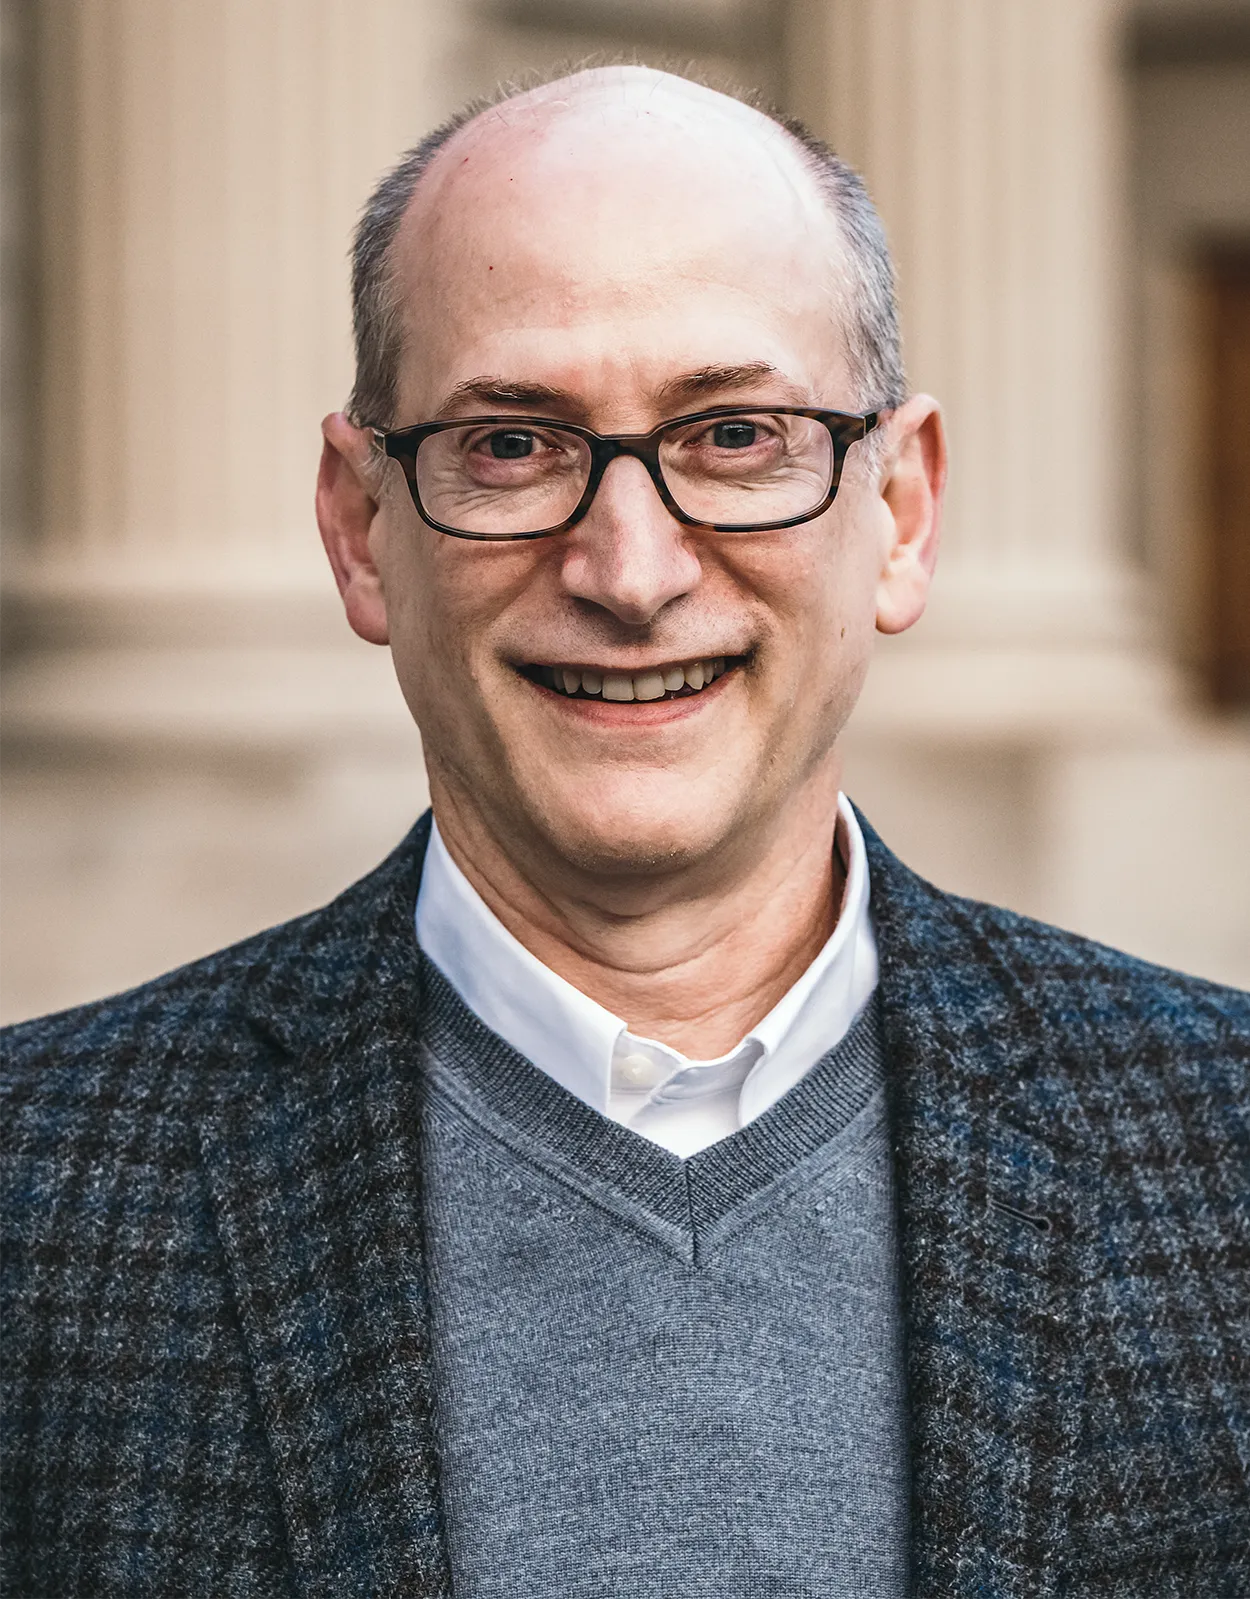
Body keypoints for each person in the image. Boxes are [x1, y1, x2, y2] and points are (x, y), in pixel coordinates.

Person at [2, 64, 1248, 1599]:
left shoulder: (1223, 1150)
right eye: (513, 445)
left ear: (901, 513)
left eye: (735, 435)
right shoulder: (36, 1197)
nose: (631, 567)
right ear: (358, 527)